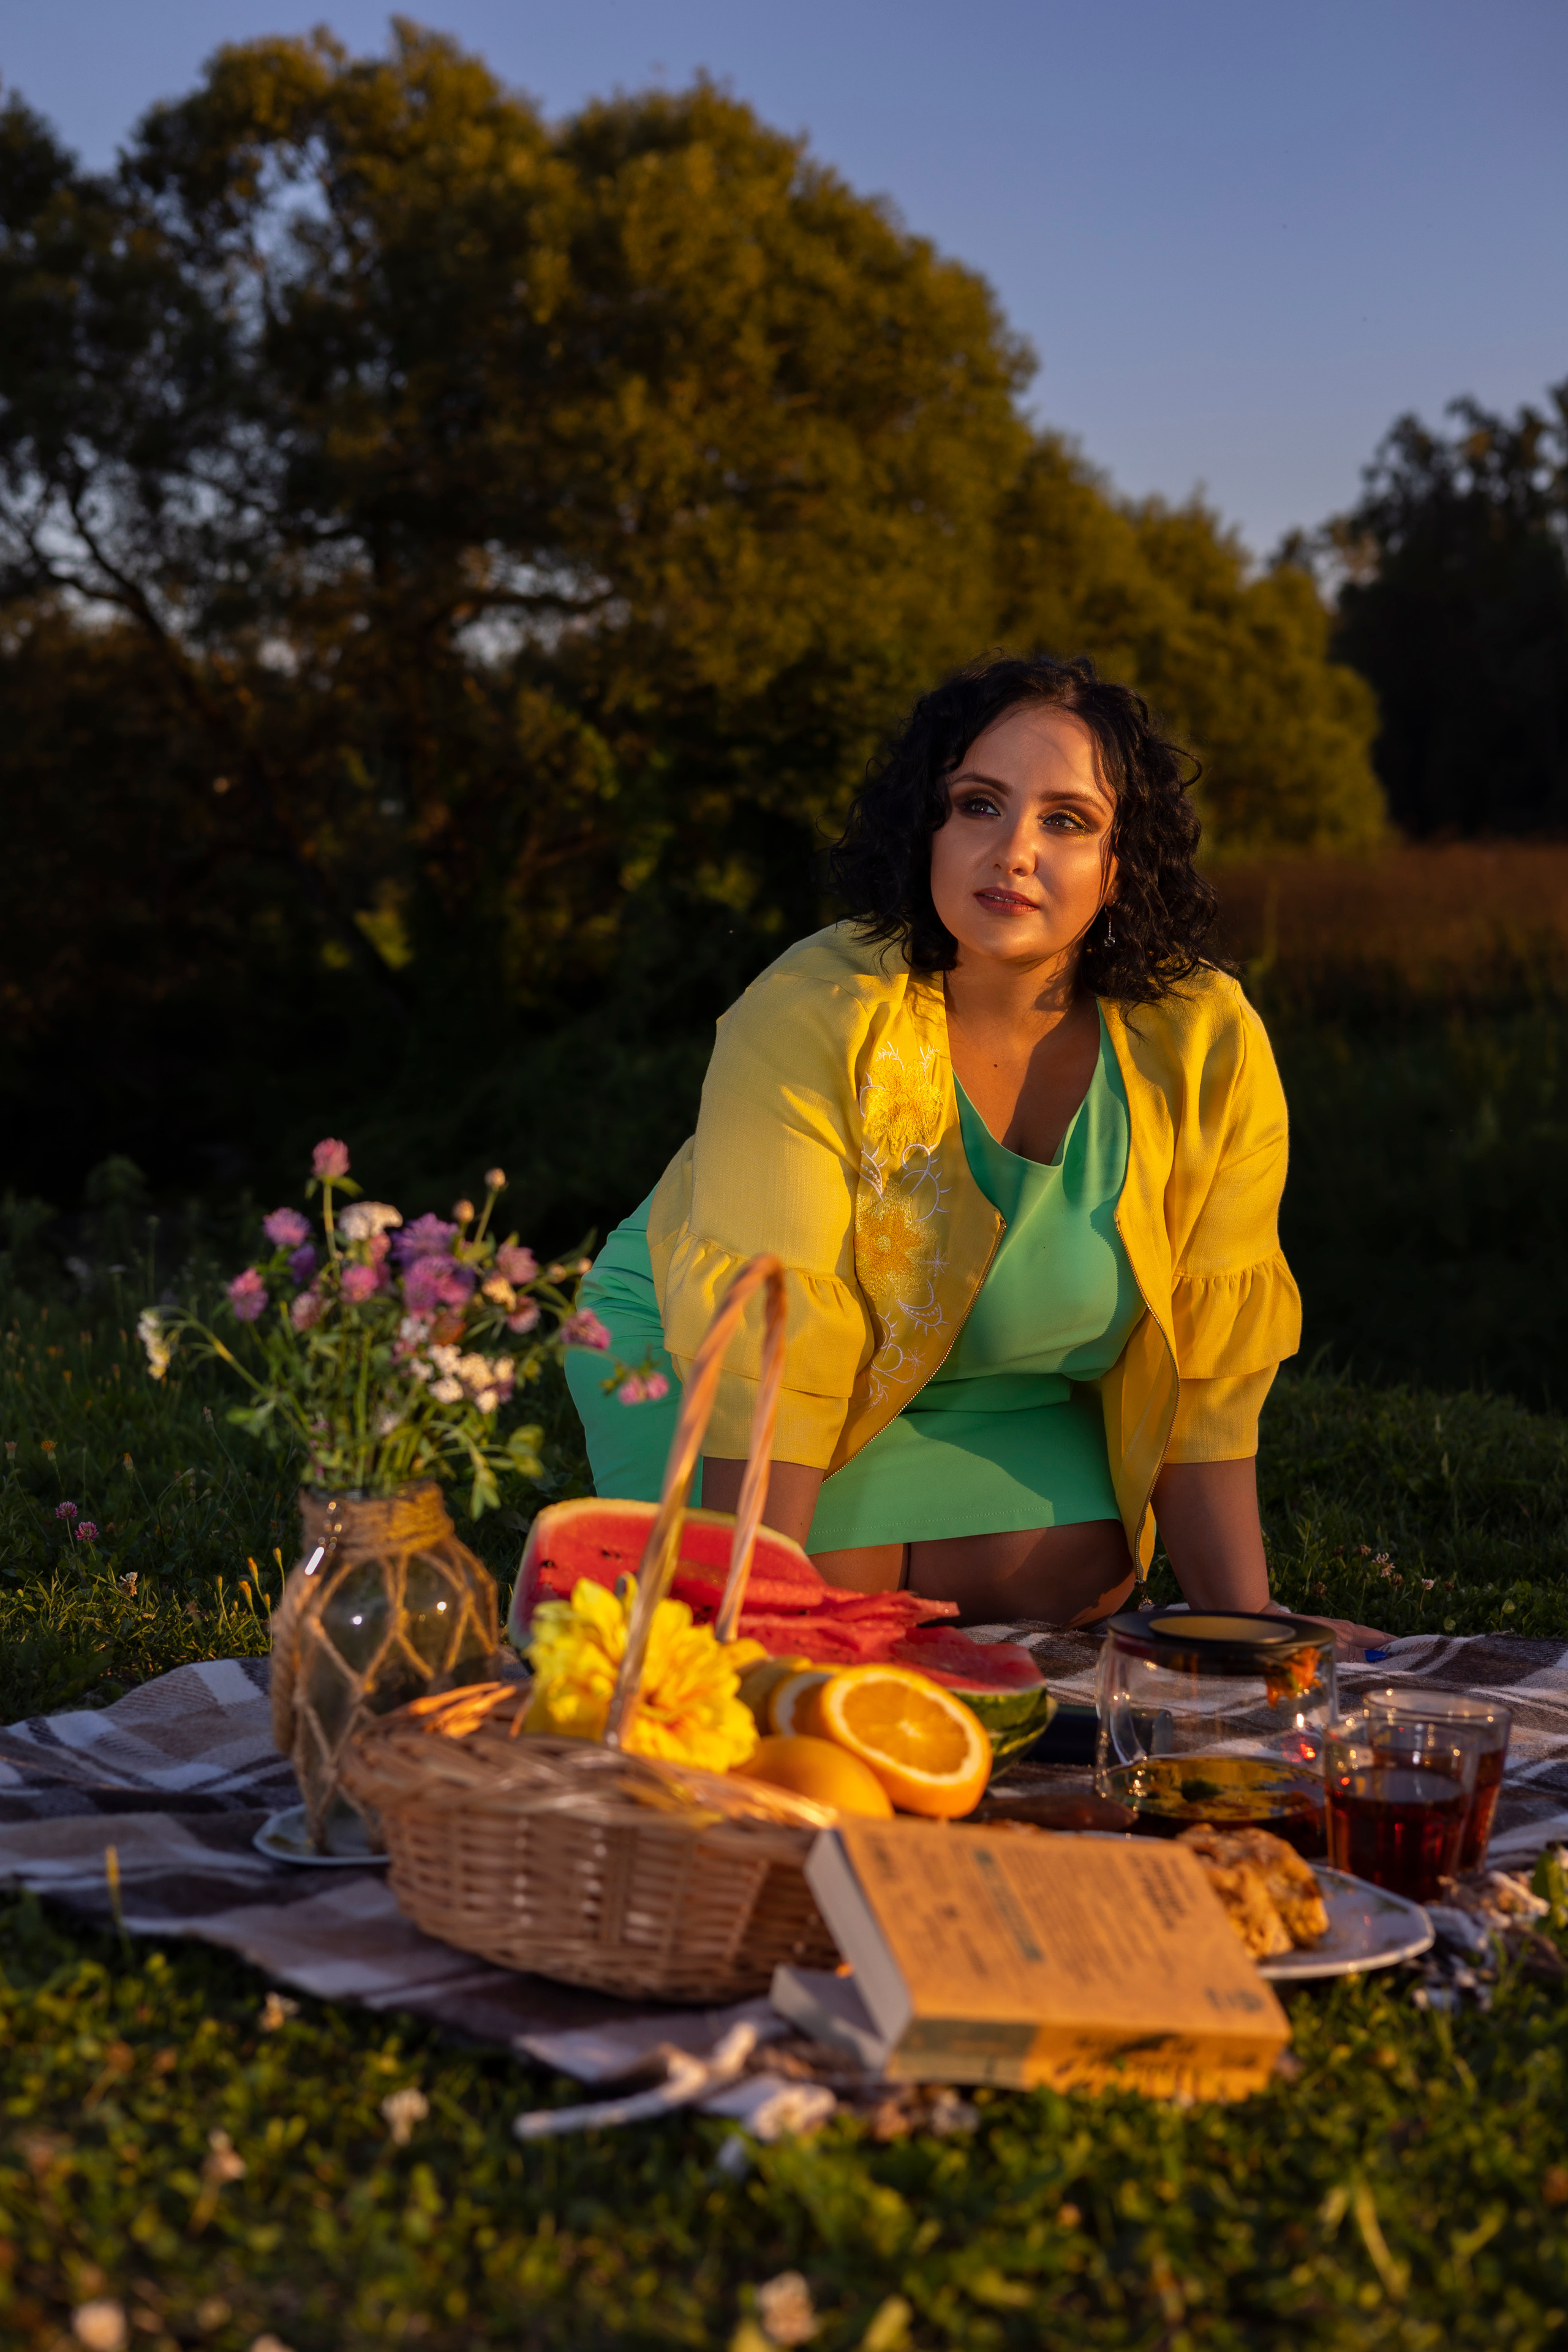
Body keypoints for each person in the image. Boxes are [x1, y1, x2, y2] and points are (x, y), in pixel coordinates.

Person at [567, 654, 1385, 1656]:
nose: (1014, 852)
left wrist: (1249, 1634)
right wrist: (755, 1638)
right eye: (979, 806)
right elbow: (770, 1339)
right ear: (928, 830)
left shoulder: (1207, 1040)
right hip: (703, 1342)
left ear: (1120, 865)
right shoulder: (808, 1010)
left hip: (998, 1386)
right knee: (806, 1600)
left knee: (1084, 1570)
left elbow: (1208, 1367)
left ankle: (888, 1598)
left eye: (1067, 821)